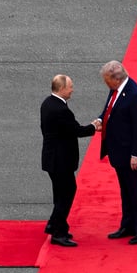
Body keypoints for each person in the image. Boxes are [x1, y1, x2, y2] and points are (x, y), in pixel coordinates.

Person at [91, 60, 137, 244]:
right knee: (125, 189)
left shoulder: (134, 95)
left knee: (135, 190)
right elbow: (109, 110)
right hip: (118, 150)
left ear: (115, 79)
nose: (105, 83)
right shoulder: (116, 90)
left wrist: (136, 154)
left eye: (106, 80)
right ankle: (128, 225)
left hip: (129, 152)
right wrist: (100, 120)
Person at [40, 74, 98, 246]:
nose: (72, 89)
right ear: (62, 89)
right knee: (66, 193)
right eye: (70, 86)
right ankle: (57, 231)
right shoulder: (61, 110)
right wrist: (94, 126)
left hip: (53, 159)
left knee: (60, 194)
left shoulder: (47, 103)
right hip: (61, 161)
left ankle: (57, 225)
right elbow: (76, 130)